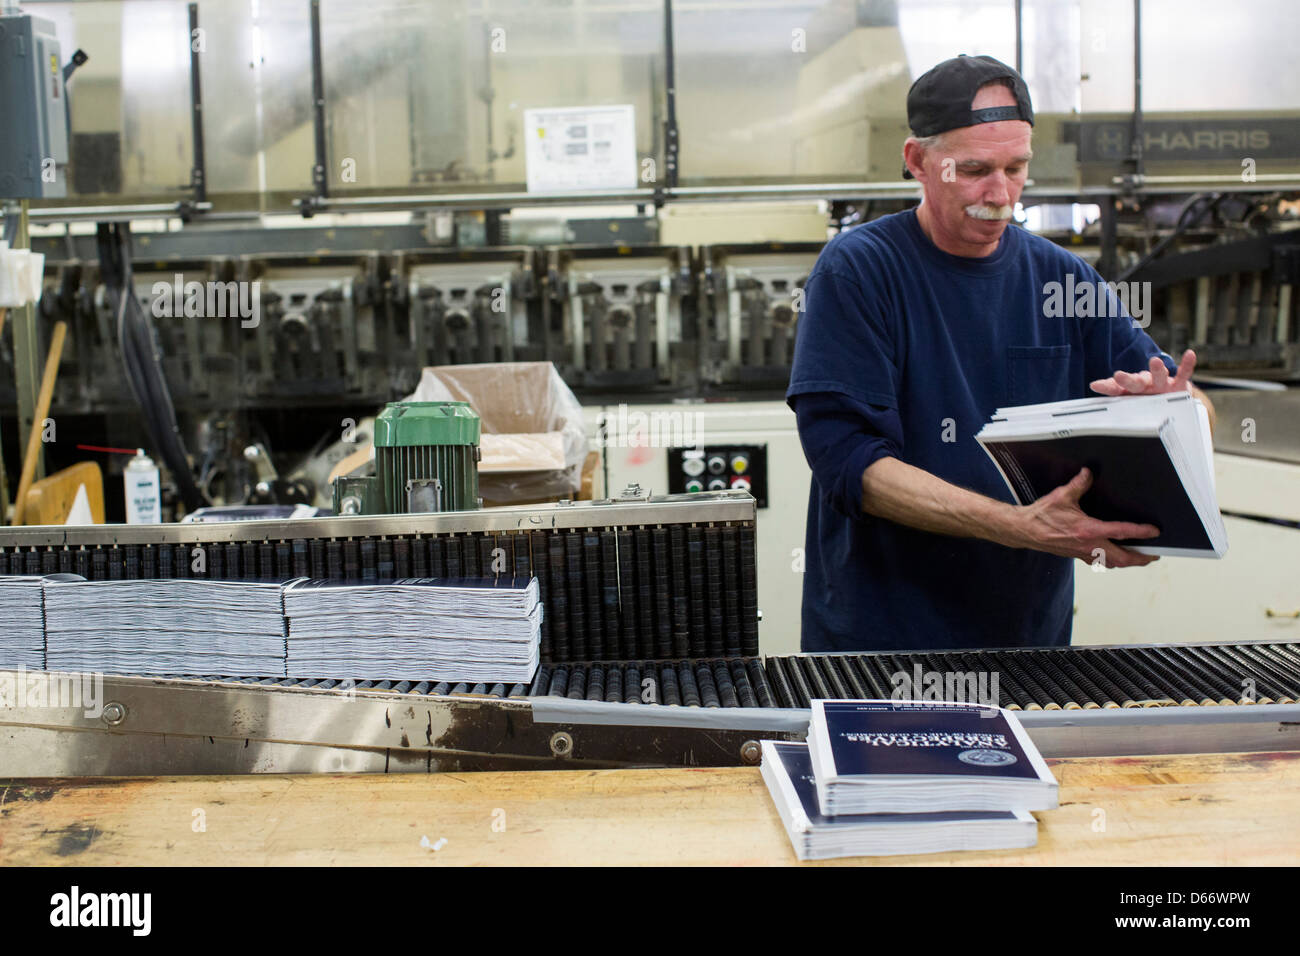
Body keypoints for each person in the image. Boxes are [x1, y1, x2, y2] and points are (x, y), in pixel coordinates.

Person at [787, 54, 1215, 654]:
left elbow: (1189, 399)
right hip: (880, 644)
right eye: (974, 170)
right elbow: (848, 464)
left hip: (1026, 646)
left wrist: (1176, 409)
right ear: (917, 161)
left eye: (1017, 169)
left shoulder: (1063, 280)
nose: (1000, 194)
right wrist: (1019, 528)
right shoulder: (859, 271)